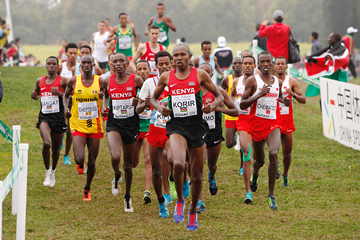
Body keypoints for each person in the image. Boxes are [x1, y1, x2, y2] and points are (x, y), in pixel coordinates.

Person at [151, 43, 224, 231]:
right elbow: (152, 98)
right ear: (173, 58)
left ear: (190, 56)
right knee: (177, 163)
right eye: (176, 55)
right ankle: (181, 201)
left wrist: (212, 106)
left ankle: (192, 211)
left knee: (198, 176)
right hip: (176, 126)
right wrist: (160, 108)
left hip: (197, 127)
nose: (179, 57)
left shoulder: (200, 75)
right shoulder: (166, 77)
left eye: (183, 54)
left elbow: (219, 97)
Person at [240, 51, 290, 210]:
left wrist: (285, 101)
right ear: (258, 64)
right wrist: (258, 94)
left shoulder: (278, 82)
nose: (266, 64)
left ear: (272, 63)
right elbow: (242, 104)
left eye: (269, 61)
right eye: (263, 62)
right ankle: (255, 175)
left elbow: (279, 97)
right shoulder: (252, 81)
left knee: (274, 153)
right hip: (256, 124)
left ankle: (271, 195)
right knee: (259, 161)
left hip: (273, 123)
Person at [102, 52, 144, 212]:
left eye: (121, 61)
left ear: (127, 63)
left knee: (128, 166)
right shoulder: (108, 80)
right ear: (111, 64)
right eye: (115, 61)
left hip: (131, 125)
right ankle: (116, 174)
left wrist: (139, 100)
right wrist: (105, 108)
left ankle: (127, 197)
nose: (118, 63)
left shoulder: (136, 80)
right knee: (115, 156)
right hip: (114, 124)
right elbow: (105, 96)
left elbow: (146, 96)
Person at [198, 63, 239, 213]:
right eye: (202, 72)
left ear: (211, 75)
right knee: (199, 165)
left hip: (214, 132)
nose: (205, 75)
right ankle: (199, 200)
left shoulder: (219, 92)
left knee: (212, 165)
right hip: (198, 134)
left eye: (208, 72)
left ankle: (212, 176)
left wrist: (218, 109)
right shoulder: (192, 91)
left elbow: (235, 111)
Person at [63, 54, 104, 201]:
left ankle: (87, 188)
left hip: (94, 125)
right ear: (81, 66)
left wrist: (103, 96)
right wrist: (66, 108)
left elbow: (107, 96)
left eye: (89, 63)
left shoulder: (100, 81)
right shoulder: (75, 80)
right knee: (79, 158)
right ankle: (80, 163)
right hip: (78, 124)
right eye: (84, 63)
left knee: (92, 162)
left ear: (93, 65)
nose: (86, 65)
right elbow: (65, 95)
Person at [137, 50, 173, 217]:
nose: (164, 67)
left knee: (171, 157)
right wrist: (143, 104)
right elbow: (138, 109)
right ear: (156, 66)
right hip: (156, 128)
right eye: (161, 64)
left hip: (174, 128)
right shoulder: (150, 83)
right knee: (156, 166)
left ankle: (172, 188)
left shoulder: (178, 81)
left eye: (167, 63)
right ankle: (161, 201)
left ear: (172, 64)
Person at [31, 56, 68, 187]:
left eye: (54, 64)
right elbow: (36, 93)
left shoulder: (63, 80)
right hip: (44, 117)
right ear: (46, 66)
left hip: (58, 118)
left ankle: (53, 171)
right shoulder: (40, 81)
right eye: (49, 64)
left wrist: (60, 93)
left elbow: (72, 97)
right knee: (47, 143)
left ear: (58, 66)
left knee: (56, 149)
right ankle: (47, 172)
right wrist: (34, 95)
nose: (51, 66)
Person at [274, 57, 306, 187]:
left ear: (287, 67)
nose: (280, 66)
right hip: (274, 121)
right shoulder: (270, 81)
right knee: (273, 151)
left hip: (287, 121)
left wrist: (293, 95)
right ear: (274, 66)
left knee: (287, 154)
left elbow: (303, 99)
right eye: (278, 64)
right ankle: (274, 167)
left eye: (283, 64)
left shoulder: (291, 81)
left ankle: (285, 175)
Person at [231, 55, 256, 203]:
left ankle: (256, 174)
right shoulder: (236, 81)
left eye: (249, 64)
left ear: (254, 66)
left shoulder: (260, 80)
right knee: (247, 153)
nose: (246, 66)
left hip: (259, 120)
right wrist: (231, 105)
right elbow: (233, 95)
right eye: (244, 63)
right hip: (243, 121)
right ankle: (248, 192)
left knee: (258, 160)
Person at [133, 59, 153, 205]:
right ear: (136, 72)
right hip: (133, 127)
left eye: (144, 68)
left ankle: (147, 191)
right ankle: (119, 174)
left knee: (148, 159)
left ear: (149, 70)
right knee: (133, 163)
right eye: (139, 69)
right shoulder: (131, 86)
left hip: (148, 127)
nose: (142, 71)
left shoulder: (154, 85)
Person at [57, 43, 79, 165]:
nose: (72, 55)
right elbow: (56, 83)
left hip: (75, 102)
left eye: (75, 53)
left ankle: (66, 155)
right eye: (70, 53)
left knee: (70, 130)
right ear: (66, 53)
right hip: (62, 101)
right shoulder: (61, 67)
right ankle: (60, 139)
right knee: (61, 127)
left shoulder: (80, 67)